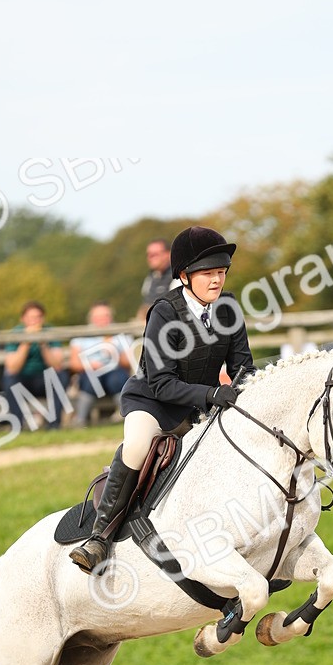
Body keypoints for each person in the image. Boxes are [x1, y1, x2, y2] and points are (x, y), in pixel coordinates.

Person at [70, 226, 255, 574]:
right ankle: (99, 537)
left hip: (202, 405)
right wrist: (212, 393)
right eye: (208, 274)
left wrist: (246, 392)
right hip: (154, 402)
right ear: (184, 276)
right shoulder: (164, 312)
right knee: (138, 445)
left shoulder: (228, 308)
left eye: (222, 272)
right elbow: (161, 382)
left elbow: (243, 366)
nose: (217, 280)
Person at [3, 300, 68, 429]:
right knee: (9, 379)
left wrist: (42, 342)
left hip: (44, 380)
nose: (34, 321)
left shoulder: (50, 331)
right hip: (23, 380)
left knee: (61, 376)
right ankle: (17, 427)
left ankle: (54, 426)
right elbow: (12, 368)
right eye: (31, 318)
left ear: (43, 319)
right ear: (23, 319)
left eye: (38, 317)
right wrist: (26, 342)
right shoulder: (16, 334)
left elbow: (56, 365)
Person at [68, 302, 134, 427]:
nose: (102, 320)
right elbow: (74, 364)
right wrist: (89, 365)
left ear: (111, 317)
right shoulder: (82, 336)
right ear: (91, 318)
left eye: (105, 316)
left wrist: (114, 354)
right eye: (98, 316)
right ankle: (80, 421)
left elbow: (129, 362)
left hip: (115, 371)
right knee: (90, 380)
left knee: (117, 379)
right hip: (91, 372)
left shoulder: (121, 334)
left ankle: (127, 418)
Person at [137, 238, 174, 319]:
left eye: (154, 254)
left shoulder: (178, 277)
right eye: (148, 255)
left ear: (167, 254)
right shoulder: (150, 278)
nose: (150, 258)